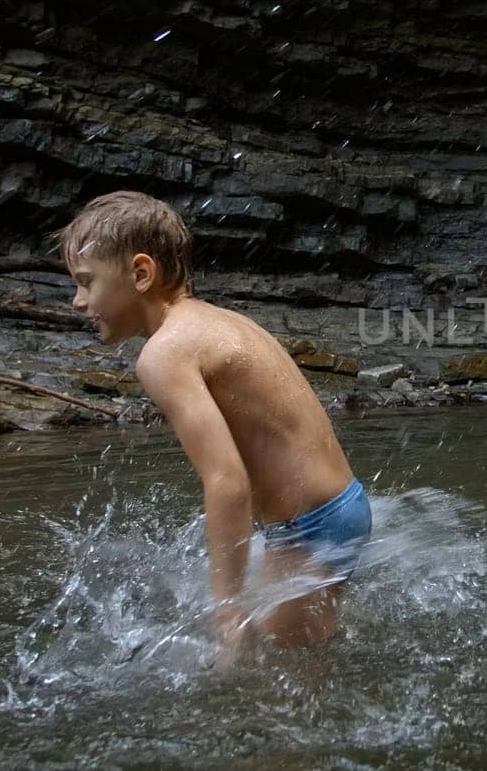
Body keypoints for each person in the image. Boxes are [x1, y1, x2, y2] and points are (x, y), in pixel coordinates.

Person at [57, 190, 371, 653]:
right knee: (292, 657)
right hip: (338, 508)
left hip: (310, 527)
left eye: (86, 282)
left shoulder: (163, 353)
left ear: (141, 274)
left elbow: (227, 482)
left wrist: (227, 606)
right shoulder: (221, 321)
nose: (78, 301)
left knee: (260, 673)